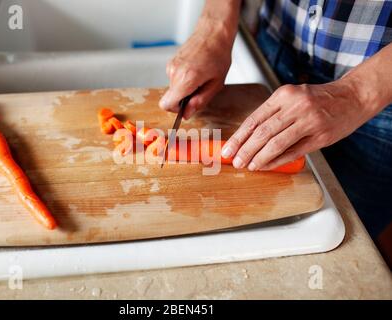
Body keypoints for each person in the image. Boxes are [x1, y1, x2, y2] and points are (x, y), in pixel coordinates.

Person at [159, 0, 392, 265]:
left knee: (331, 255)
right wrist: (215, 25)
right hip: (278, 47)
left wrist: (357, 95)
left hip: (382, 97)